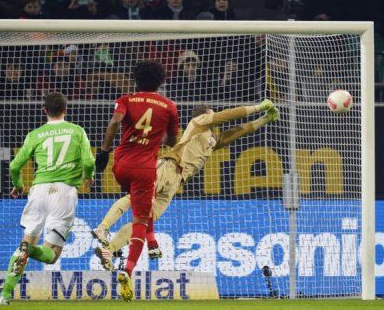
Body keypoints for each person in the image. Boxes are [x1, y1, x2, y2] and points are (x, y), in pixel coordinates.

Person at [92, 100, 279, 271]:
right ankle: (103, 227)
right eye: (211, 114)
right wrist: (258, 107)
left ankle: (108, 249)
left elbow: (236, 132)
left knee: (147, 218)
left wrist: (264, 120)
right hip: (169, 166)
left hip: (177, 182)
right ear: (203, 115)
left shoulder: (211, 140)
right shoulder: (198, 123)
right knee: (136, 199)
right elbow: (228, 115)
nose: (213, 119)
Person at [94, 60, 180, 302]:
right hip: (145, 168)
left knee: (135, 199)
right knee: (140, 219)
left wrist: (103, 151)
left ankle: (108, 229)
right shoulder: (169, 106)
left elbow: (114, 122)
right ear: (161, 80)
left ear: (136, 79)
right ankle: (128, 271)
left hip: (120, 165)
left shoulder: (126, 100)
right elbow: (174, 140)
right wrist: (156, 138)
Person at [0, 92, 95, 305]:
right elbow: (88, 162)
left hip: (38, 191)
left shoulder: (35, 134)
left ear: (45, 111)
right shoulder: (77, 131)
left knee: (26, 240)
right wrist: (89, 177)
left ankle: (5, 295)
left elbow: (14, 165)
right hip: (64, 193)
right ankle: (30, 250)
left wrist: (18, 185)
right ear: (65, 110)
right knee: (52, 255)